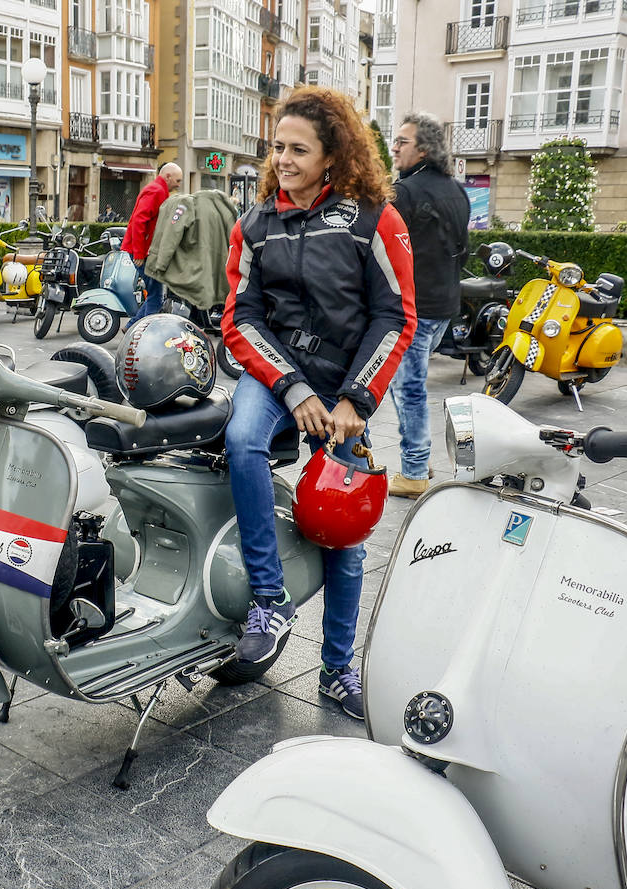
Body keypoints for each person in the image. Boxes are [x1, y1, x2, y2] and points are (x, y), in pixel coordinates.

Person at [220, 85, 417, 720]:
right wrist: (291, 386)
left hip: (347, 389)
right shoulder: (254, 225)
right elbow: (240, 319)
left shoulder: (373, 218)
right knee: (242, 439)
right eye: (277, 147)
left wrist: (357, 398)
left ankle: (336, 670)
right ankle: (269, 600)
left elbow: (396, 317)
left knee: (343, 525)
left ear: (332, 155)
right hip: (280, 379)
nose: (283, 160)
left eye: (299, 150)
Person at [387, 112, 470, 499]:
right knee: (408, 384)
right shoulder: (457, 189)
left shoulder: (404, 193)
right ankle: (419, 458)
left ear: (422, 149)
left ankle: (416, 470)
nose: (394, 147)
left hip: (415, 307)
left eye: (401, 141)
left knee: (408, 389)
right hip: (444, 305)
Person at [121, 163, 182, 325]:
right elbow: (139, 222)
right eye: (178, 180)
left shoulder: (158, 190)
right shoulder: (157, 191)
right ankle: (145, 331)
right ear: (167, 176)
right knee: (155, 296)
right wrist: (139, 253)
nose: (178, 184)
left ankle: (132, 326)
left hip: (144, 251)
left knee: (155, 294)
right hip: (143, 252)